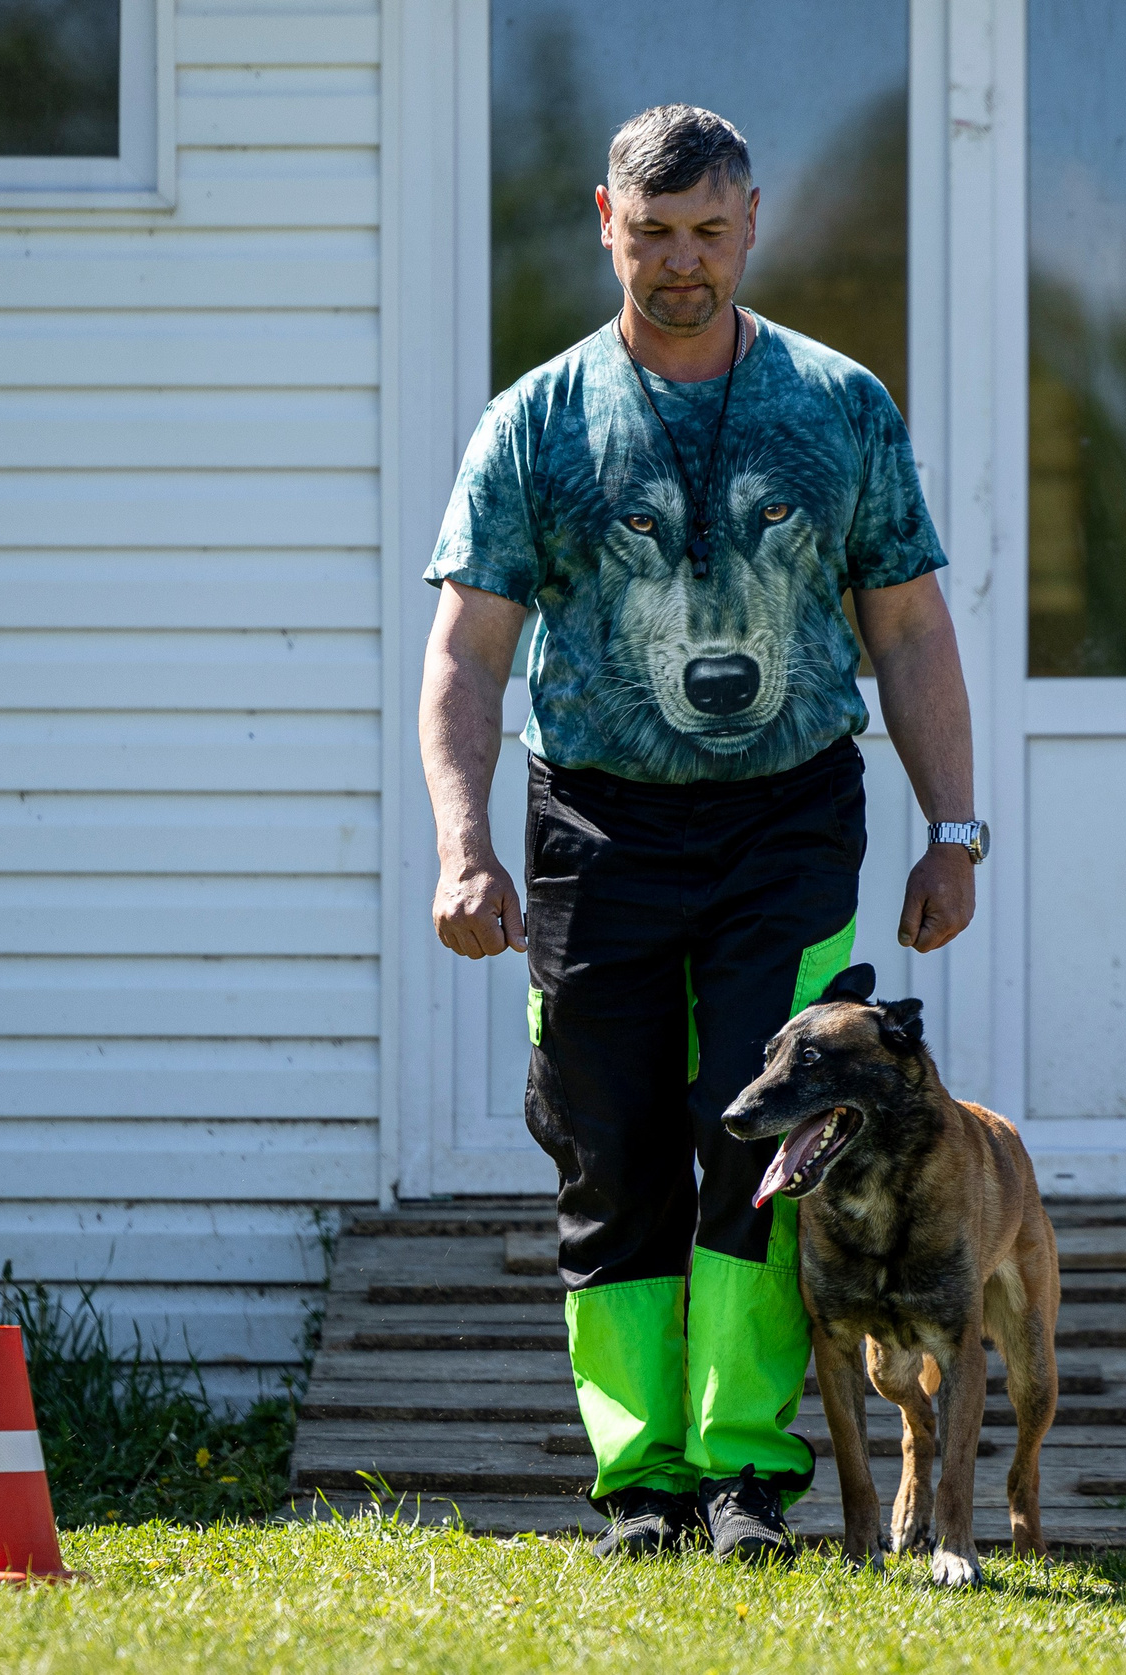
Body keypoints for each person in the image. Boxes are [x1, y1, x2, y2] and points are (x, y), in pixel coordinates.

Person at [418, 103, 986, 1563]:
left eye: (708, 233)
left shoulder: (838, 403)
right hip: (595, 828)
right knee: (607, 1148)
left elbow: (909, 628)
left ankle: (742, 1475)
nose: (682, 263)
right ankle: (641, 1482)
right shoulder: (537, 421)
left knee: (764, 1139)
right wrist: (462, 844)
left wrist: (954, 830)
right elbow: (467, 654)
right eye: (653, 232)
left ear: (752, 224)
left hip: (789, 821)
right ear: (604, 220)